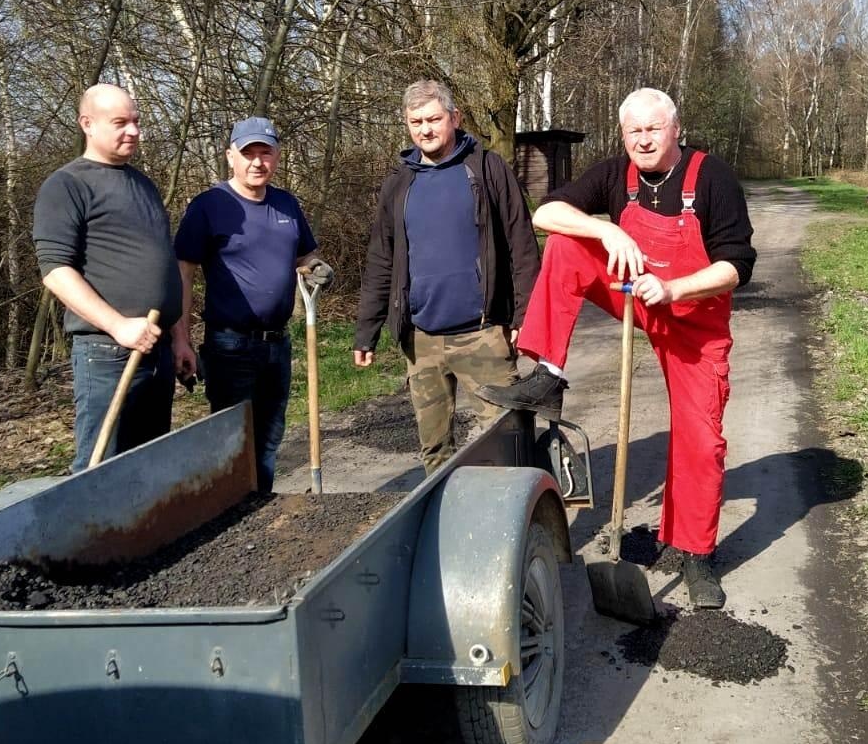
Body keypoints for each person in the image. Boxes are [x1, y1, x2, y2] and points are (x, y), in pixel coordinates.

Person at [479, 87, 755, 609]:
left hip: (695, 321)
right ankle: (549, 373)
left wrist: (675, 288)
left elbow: (737, 265)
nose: (644, 139)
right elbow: (546, 214)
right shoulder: (614, 175)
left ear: (675, 130)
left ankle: (695, 554)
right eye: (634, 131)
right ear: (623, 135)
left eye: (653, 128)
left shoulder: (711, 178)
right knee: (566, 244)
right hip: (638, 297)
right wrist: (605, 235)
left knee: (701, 440)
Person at [354, 80, 541, 472]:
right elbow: (381, 260)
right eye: (416, 121)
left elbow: (521, 246)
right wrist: (366, 330)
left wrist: (528, 318)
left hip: (482, 334)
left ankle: (519, 526)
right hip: (421, 341)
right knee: (435, 452)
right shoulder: (399, 184)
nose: (425, 129)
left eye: (434, 119)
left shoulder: (488, 169)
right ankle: (447, 526)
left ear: (454, 118)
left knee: (509, 441)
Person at [173, 117, 331, 492]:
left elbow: (307, 259)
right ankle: (228, 518)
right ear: (231, 156)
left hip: (278, 343)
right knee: (233, 441)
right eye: (248, 153)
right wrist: (180, 338)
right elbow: (183, 273)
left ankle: (259, 512)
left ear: (276, 157)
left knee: (269, 439)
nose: (257, 162)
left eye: (265, 153)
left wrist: (318, 270)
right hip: (230, 345)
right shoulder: (209, 206)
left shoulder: (286, 204)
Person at [33, 83, 185, 472]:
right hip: (107, 353)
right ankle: (90, 535)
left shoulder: (143, 184)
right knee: (100, 472)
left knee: (149, 467)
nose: (133, 131)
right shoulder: (67, 185)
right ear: (87, 123)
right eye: (120, 122)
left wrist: (180, 338)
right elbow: (55, 271)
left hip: (157, 349)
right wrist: (118, 326)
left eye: (135, 122)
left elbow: (166, 267)